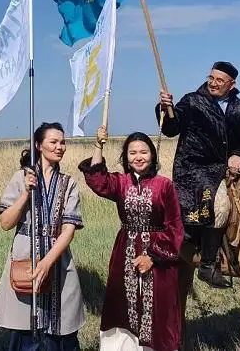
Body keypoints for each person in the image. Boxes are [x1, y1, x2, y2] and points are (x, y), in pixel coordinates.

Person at [156, 61, 240, 306]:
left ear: (232, 84)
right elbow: (171, 128)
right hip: (193, 168)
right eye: (211, 78)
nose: (213, 83)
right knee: (221, 205)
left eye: (219, 80)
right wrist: (165, 108)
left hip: (229, 167)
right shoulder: (192, 101)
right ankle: (207, 264)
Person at [79, 127, 184, 351]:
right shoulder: (121, 182)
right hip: (124, 254)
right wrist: (99, 145)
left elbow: (175, 228)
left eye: (144, 152)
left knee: (158, 311)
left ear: (153, 155)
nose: (138, 157)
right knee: (122, 308)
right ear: (126, 157)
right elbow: (98, 181)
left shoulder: (164, 185)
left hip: (159, 261)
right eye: (132, 152)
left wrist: (152, 257)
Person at [0, 122, 86, 351]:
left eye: (62, 142)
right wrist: (26, 193)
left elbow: (69, 230)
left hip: (58, 258)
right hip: (25, 256)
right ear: (39, 145)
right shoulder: (20, 177)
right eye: (53, 142)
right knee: (25, 325)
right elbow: (5, 223)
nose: (60, 147)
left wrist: (46, 262)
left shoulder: (69, 183)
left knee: (62, 325)